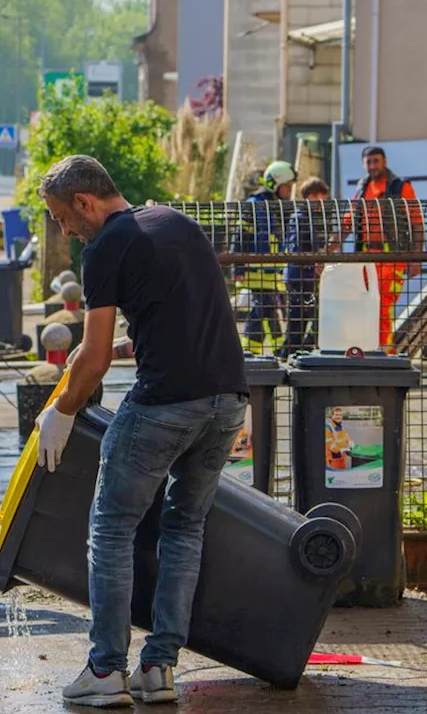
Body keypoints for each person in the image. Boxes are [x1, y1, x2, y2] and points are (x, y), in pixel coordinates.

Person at [34, 155, 248, 707]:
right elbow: (176, 320)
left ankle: (105, 671)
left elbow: (95, 356)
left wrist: (60, 409)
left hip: (166, 403)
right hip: (227, 400)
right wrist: (130, 347)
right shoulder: (173, 221)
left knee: (111, 529)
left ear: (84, 202)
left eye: (62, 217)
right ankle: (158, 671)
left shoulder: (106, 244)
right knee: (184, 529)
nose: (65, 230)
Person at [342, 146, 424, 353]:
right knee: (366, 305)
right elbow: (347, 223)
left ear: (384, 162)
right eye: (368, 162)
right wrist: (329, 248)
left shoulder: (400, 187)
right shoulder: (362, 189)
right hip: (365, 257)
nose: (372, 166)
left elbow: (417, 223)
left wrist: (416, 259)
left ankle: (385, 352)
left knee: (382, 305)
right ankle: (370, 349)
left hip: (392, 256)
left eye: (375, 161)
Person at [235, 160, 296, 357]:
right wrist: (238, 268)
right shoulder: (254, 206)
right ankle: (257, 350)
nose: (289, 191)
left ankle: (266, 348)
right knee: (263, 308)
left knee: (267, 309)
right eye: (287, 187)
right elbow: (240, 235)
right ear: (276, 184)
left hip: (272, 272)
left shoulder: (279, 207)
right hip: (255, 271)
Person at [281, 177, 332, 357]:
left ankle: (295, 351)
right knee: (299, 319)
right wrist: (314, 261)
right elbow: (298, 248)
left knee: (304, 317)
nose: (322, 204)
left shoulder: (306, 218)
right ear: (312, 196)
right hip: (300, 277)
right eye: (321, 199)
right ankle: (289, 353)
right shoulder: (302, 218)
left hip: (303, 276)